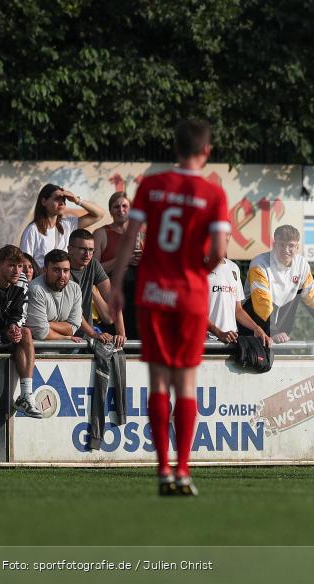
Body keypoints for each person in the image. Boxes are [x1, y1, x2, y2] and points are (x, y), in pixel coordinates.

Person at [108, 119, 230, 497]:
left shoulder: (152, 186)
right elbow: (221, 252)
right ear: (206, 151)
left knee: (158, 381)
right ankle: (182, 469)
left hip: (153, 294)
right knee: (186, 383)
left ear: (174, 148)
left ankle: (162, 469)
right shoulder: (213, 193)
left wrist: (115, 286)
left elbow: (130, 237)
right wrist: (200, 271)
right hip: (191, 296)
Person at [243, 225, 314, 345]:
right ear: (274, 244)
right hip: (252, 332)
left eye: (291, 245)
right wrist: (273, 331)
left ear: (297, 247)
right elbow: (262, 303)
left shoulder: (302, 265)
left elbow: (313, 303)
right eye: (281, 244)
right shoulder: (259, 264)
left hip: (280, 334)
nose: (286, 249)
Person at [0, 245, 39, 417]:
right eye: (11, 265)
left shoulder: (21, 280)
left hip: (2, 336)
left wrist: (14, 327)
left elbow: (20, 313)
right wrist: (4, 336)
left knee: (25, 333)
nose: (17, 270)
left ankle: (26, 395)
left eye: (20, 266)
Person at [19, 183, 105, 270]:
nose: (62, 203)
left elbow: (99, 215)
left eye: (64, 199)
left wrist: (77, 200)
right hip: (40, 280)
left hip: (64, 279)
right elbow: (25, 262)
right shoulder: (33, 230)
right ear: (44, 201)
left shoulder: (67, 224)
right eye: (57, 199)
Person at [207, 234, 272, 347]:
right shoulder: (198, 267)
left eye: (227, 234)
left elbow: (238, 310)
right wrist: (219, 333)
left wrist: (256, 328)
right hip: (205, 340)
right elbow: (195, 312)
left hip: (232, 341)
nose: (224, 238)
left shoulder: (233, 268)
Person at [94, 191, 142, 339]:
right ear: (110, 211)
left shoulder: (141, 235)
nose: (121, 210)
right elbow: (94, 270)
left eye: (124, 206)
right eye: (116, 207)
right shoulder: (101, 233)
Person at [67, 229, 126, 348]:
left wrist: (121, 334)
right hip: (66, 337)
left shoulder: (93, 264)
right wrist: (94, 334)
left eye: (91, 250)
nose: (87, 254)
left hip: (87, 337)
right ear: (70, 249)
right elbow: (75, 312)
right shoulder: (63, 268)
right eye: (83, 249)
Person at [25, 250, 83, 342]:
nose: (62, 275)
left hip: (68, 347)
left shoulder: (75, 289)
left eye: (66, 270)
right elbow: (41, 333)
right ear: (45, 270)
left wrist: (47, 324)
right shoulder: (35, 289)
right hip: (40, 350)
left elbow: (74, 327)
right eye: (56, 270)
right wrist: (66, 337)